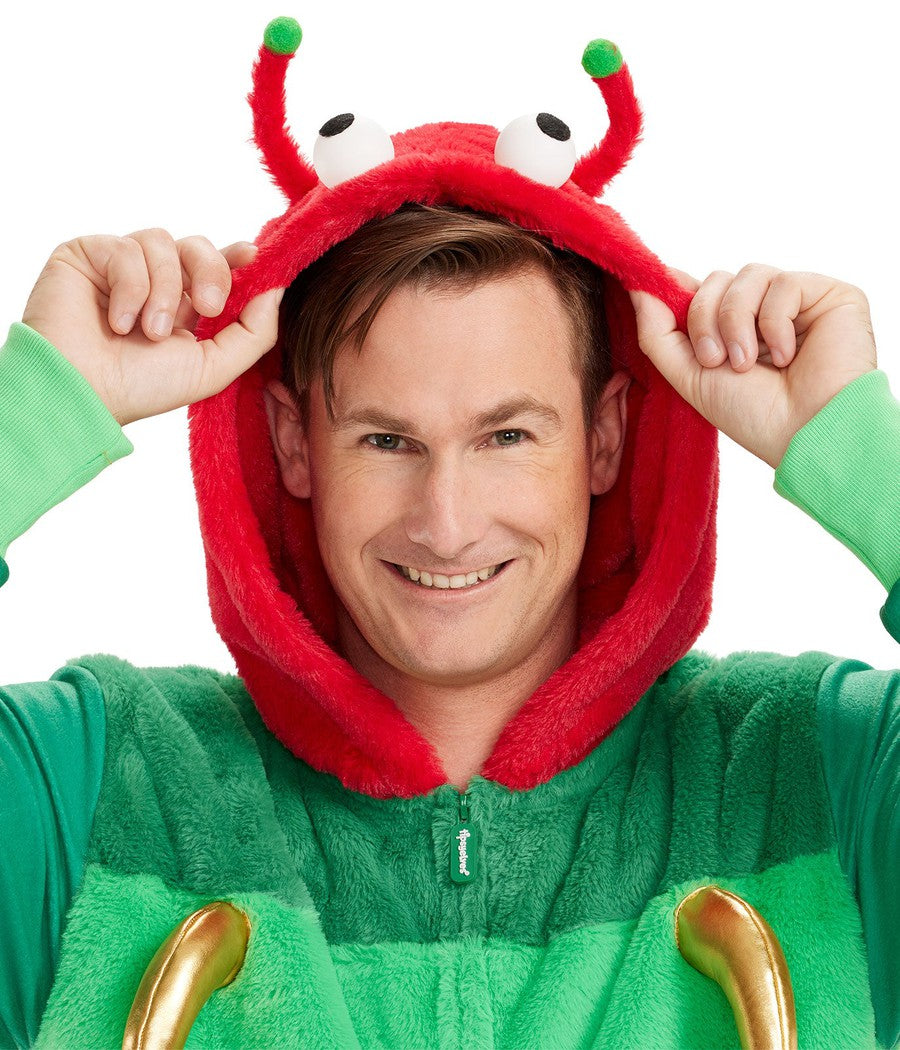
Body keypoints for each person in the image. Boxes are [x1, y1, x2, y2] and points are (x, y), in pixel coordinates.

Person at [1, 17, 898, 1049]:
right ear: (294, 445)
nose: (447, 522)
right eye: (387, 441)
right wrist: (33, 416)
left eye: (507, 435)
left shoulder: (815, 775)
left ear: (605, 438)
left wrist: (864, 457)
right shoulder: (91, 788)